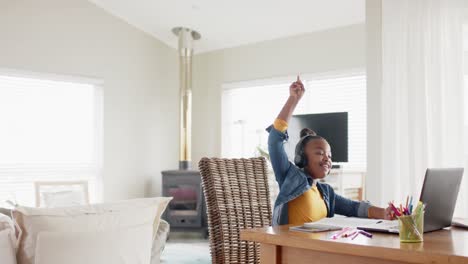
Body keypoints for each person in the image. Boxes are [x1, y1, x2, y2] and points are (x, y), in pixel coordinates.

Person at [267, 76, 394, 226]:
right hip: (292, 248)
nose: (327, 158)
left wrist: (385, 213)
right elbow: (275, 139)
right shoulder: (290, 177)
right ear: (301, 158)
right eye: (320, 153)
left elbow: (353, 207)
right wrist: (293, 99)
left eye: (329, 155)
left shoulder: (326, 192)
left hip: (318, 247)